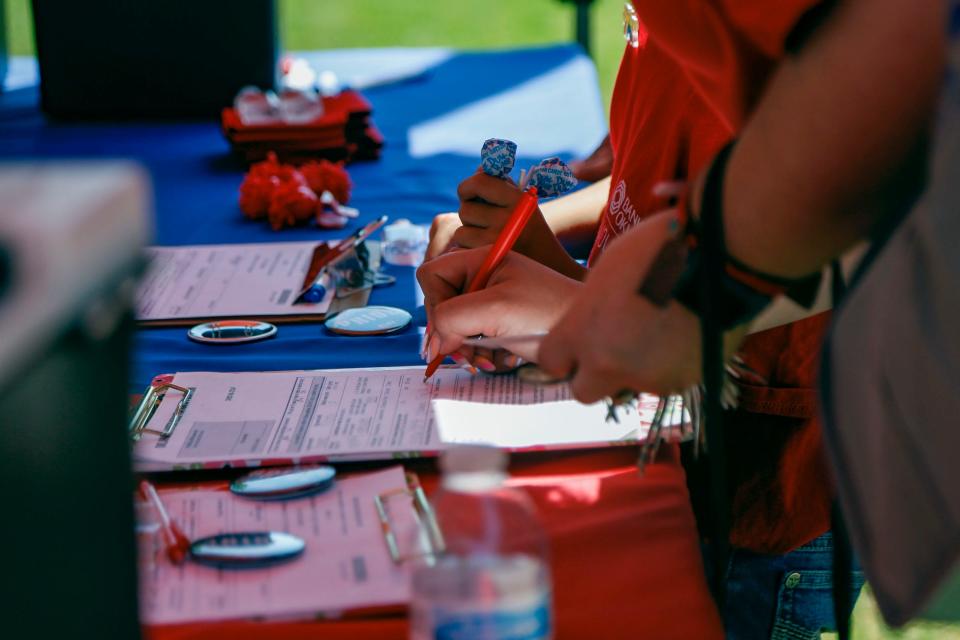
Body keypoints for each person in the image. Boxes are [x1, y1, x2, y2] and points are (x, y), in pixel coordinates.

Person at [419, 0, 942, 635]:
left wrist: (634, 304)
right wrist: (542, 239)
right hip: (673, 415)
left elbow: (905, 211)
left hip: (769, 483)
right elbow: (670, 162)